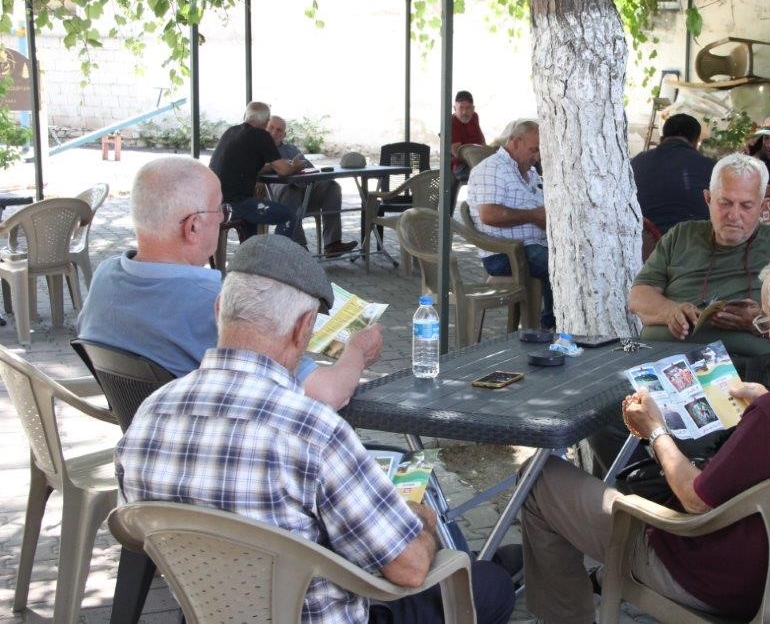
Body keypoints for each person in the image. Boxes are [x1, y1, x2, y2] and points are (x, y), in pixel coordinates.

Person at [114, 233, 514, 623]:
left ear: (219, 308)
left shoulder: (149, 415)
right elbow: (407, 568)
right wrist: (419, 518)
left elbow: (136, 534)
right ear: (304, 328)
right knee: (490, 582)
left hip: (211, 611)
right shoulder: (312, 431)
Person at [520, 246, 770, 623]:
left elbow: (695, 499)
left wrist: (656, 429)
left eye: (768, 322)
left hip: (714, 580)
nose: (768, 333)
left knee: (538, 480)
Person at [77, 156, 375, 411]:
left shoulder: (104, 277)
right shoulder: (215, 304)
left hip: (146, 443)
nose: (222, 218)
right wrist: (358, 351)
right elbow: (329, 394)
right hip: (234, 456)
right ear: (193, 226)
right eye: (220, 209)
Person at [585, 153, 770, 475]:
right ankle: (641, 497)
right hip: (660, 364)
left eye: (746, 206)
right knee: (602, 418)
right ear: (707, 198)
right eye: (724, 203)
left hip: (736, 374)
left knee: (688, 433)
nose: (734, 215)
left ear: (762, 204)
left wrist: (758, 321)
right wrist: (671, 310)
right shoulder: (681, 236)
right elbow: (639, 296)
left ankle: (679, 496)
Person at [466, 119, 554, 329]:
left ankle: (552, 323)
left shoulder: (530, 172)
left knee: (573, 259)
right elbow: (489, 215)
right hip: (505, 254)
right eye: (533, 150)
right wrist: (534, 216)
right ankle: (552, 325)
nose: (537, 156)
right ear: (515, 143)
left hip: (532, 246)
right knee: (561, 266)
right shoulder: (492, 168)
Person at [265, 115, 358, 256]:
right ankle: (299, 247)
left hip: (304, 191)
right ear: (265, 127)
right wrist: (283, 166)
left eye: (279, 130)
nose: (274, 132)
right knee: (291, 190)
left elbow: (310, 169)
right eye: (271, 127)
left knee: (332, 186)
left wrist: (301, 165)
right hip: (275, 193)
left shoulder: (291, 149)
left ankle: (332, 244)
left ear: (284, 134)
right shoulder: (258, 147)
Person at [209, 101, 301, 242]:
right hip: (236, 204)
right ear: (265, 122)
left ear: (246, 115)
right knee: (288, 216)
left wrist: (271, 166)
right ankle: (274, 260)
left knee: (251, 228)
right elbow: (284, 171)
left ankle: (251, 259)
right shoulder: (260, 135)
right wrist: (296, 166)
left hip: (214, 201)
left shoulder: (231, 131)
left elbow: (242, 166)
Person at [631, 113, 715, 234]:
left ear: (662, 138)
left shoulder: (636, 162)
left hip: (641, 245)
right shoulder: (712, 168)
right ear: (696, 143)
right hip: (691, 246)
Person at [451, 90, 486, 182]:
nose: (464, 112)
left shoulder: (474, 117)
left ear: (473, 108)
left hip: (478, 161)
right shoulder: (451, 122)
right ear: (455, 108)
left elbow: (482, 140)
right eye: (461, 108)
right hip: (461, 167)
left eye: (468, 108)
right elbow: (457, 152)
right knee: (486, 176)